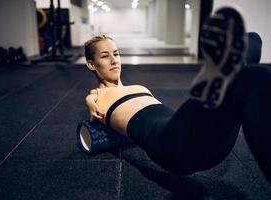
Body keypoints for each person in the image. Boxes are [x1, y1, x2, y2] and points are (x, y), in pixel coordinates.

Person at [84, 7, 271, 184]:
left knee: (251, 41)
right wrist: (91, 103)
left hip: (204, 140)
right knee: (254, 77)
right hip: (172, 145)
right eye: (105, 56)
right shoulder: (99, 95)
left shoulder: (139, 86)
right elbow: (91, 102)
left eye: (116, 54)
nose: (114, 60)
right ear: (91, 64)